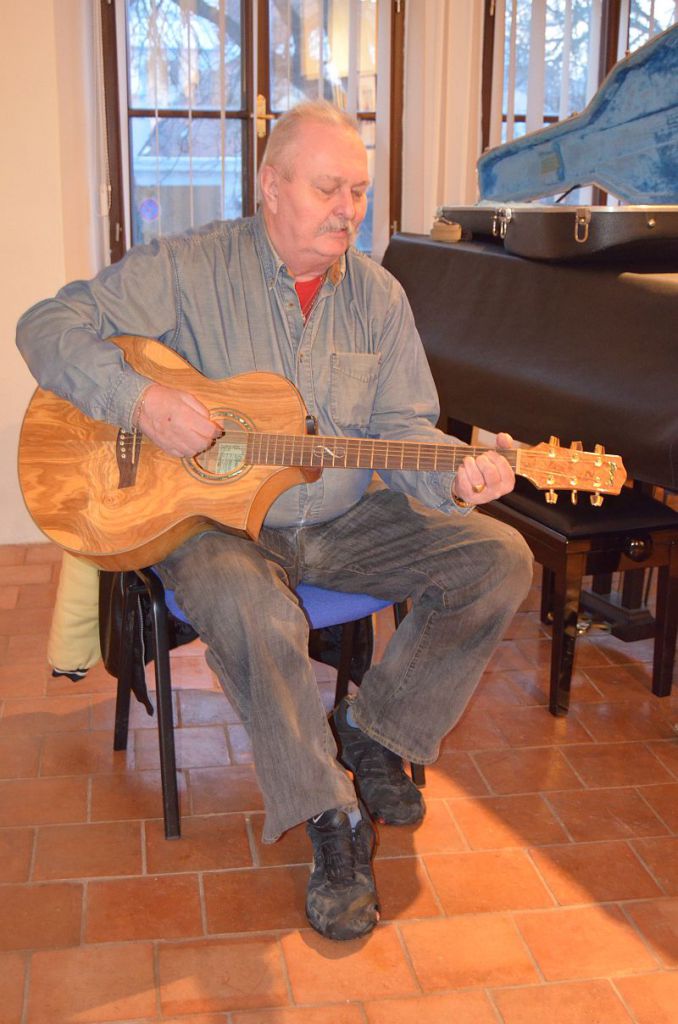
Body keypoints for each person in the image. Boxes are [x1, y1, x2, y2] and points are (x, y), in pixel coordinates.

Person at [17, 100, 533, 941]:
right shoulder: (189, 266)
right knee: (253, 610)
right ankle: (332, 818)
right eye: (329, 188)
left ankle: (373, 730)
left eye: (359, 191)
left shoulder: (378, 296)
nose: (349, 209)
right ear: (270, 185)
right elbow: (46, 325)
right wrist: (142, 402)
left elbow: (403, 429)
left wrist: (459, 477)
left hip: (343, 521)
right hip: (217, 529)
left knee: (499, 558)